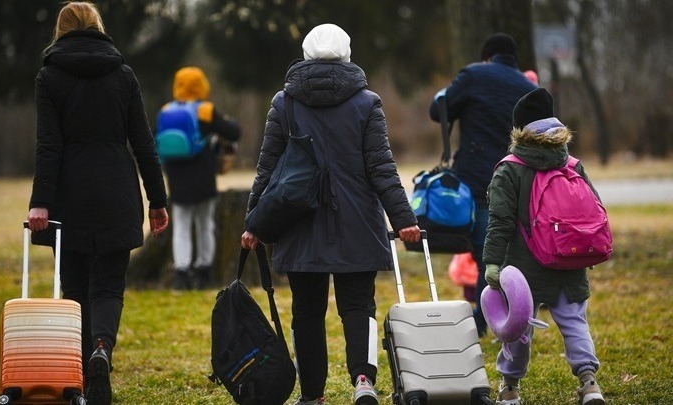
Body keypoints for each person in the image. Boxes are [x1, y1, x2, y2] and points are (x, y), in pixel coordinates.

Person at [241, 23, 420, 405]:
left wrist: (253, 221)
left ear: (305, 54)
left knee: (307, 313)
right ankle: (363, 382)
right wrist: (404, 219)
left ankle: (312, 396)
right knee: (359, 306)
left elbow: (267, 168)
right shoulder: (366, 102)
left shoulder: (284, 103)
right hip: (356, 221)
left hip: (299, 223)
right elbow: (381, 168)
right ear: (347, 53)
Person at [26, 3, 169, 404]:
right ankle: (101, 348)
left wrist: (41, 202)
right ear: (98, 27)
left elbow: (48, 145)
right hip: (116, 191)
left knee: (73, 287)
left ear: (61, 31)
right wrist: (157, 200)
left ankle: (80, 379)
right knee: (108, 286)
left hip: (69, 194)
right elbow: (143, 144)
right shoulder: (123, 75)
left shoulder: (49, 77)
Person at [483, 88, 606, 405]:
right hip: (569, 261)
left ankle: (510, 388)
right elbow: (595, 207)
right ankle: (590, 384)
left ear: (519, 129)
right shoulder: (571, 162)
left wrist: (493, 263)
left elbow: (500, 221)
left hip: (524, 268)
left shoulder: (510, 168)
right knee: (575, 323)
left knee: (518, 328)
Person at [429, 33, 537, 337]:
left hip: (478, 179)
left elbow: (438, 111)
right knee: (507, 251)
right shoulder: (529, 88)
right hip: (519, 179)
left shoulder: (475, 74)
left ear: (488, 56)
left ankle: (483, 321)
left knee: (485, 253)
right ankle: (496, 316)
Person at [158, 66, 241, 290]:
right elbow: (234, 132)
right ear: (201, 85)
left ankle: (181, 275)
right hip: (203, 176)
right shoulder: (205, 110)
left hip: (176, 177)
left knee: (182, 226)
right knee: (205, 224)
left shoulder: (166, 110)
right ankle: (204, 272)